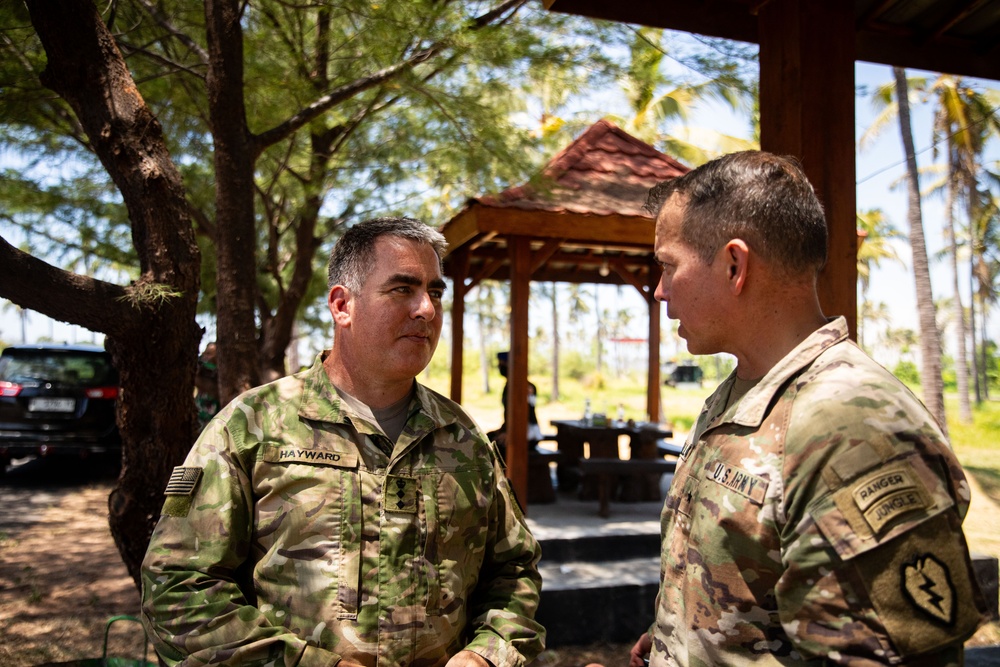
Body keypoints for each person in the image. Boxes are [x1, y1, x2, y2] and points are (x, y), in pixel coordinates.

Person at [628, 151, 988, 666]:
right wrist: (675, 638)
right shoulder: (743, 394)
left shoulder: (851, 429)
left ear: (734, 265)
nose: (660, 291)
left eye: (668, 265)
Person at [141, 217, 545, 667]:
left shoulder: (463, 438)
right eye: (402, 289)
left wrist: (486, 655)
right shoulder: (253, 426)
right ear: (342, 305)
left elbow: (513, 572)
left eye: (434, 292)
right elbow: (176, 586)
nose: (426, 310)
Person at [487, 351, 543, 455]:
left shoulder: (526, 386)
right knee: (488, 438)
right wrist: (503, 430)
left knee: (497, 449)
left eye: (503, 364)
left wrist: (510, 432)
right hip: (514, 431)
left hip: (527, 434)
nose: (500, 367)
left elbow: (523, 414)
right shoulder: (509, 385)